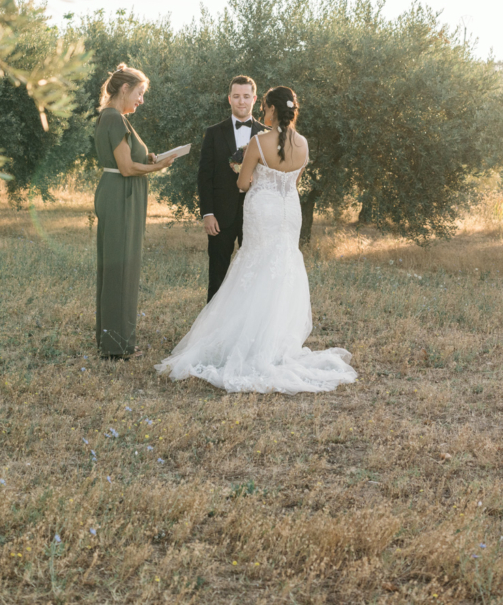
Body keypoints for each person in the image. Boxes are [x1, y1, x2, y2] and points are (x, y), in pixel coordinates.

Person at [157, 87, 357, 393]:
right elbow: (295, 181)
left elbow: (243, 182)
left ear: (272, 110)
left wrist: (245, 170)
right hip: (289, 210)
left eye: (263, 106)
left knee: (255, 263)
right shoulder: (303, 143)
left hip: (262, 208)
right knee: (283, 268)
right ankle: (274, 342)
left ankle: (242, 342)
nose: (262, 112)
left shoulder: (258, 141)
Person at [94, 64, 178, 359]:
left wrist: (151, 157)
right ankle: (117, 346)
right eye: (140, 93)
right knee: (121, 268)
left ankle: (113, 340)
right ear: (125, 89)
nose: (141, 100)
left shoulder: (114, 118)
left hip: (119, 193)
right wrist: (157, 166)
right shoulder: (115, 118)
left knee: (118, 266)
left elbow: (129, 158)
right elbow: (127, 168)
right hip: (121, 194)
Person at [197, 75, 267, 301]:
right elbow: (205, 176)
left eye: (246, 97)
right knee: (217, 276)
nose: (241, 102)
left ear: (254, 99)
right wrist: (208, 213)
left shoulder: (267, 134)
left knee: (254, 275)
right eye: (236, 97)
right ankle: (210, 331)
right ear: (229, 99)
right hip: (220, 216)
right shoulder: (214, 133)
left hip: (255, 214)